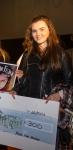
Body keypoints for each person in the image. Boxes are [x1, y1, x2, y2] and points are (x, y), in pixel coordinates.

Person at [10, 15, 73, 149]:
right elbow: (23, 79)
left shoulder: (62, 54)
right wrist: (15, 89)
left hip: (51, 110)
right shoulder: (27, 54)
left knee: (50, 147)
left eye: (42, 29)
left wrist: (60, 94)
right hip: (30, 108)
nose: (38, 34)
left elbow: (70, 82)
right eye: (34, 31)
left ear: (50, 30)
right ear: (31, 34)